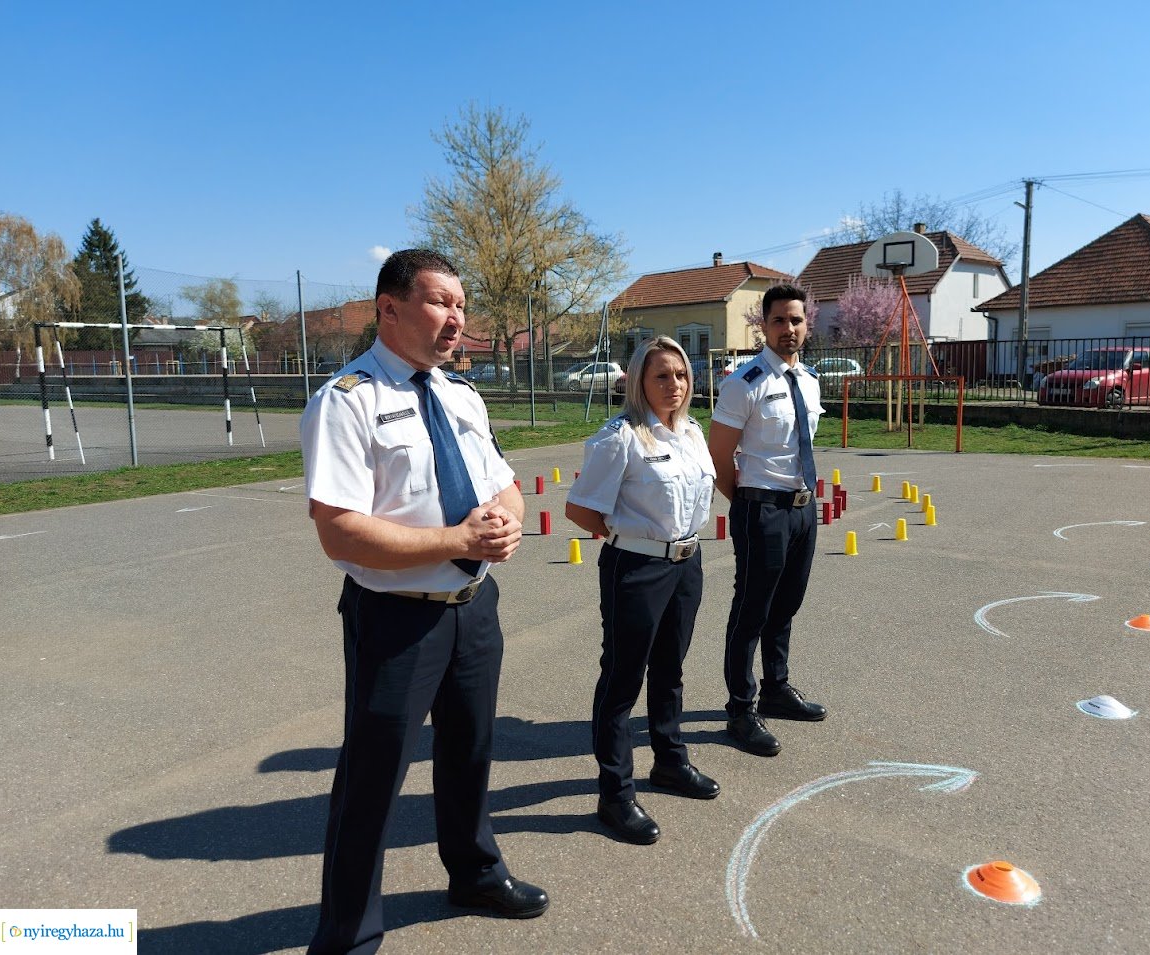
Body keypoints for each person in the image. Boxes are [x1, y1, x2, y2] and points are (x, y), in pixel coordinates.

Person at [300, 249, 548, 955]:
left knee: (470, 752)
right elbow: (339, 529)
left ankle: (473, 871)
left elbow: (501, 482)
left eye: (461, 305)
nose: (457, 319)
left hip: (473, 605)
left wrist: (505, 520)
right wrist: (455, 536)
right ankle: (347, 932)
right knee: (373, 780)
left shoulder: (461, 395)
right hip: (395, 617)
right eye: (440, 302)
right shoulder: (348, 400)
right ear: (390, 308)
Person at [565, 336, 720, 845]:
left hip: (685, 564)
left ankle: (670, 762)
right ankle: (615, 793)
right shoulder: (621, 437)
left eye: (680, 374)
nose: (673, 384)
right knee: (622, 679)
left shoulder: (692, 431)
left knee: (670, 668)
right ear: (638, 381)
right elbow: (582, 508)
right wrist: (628, 539)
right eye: (660, 376)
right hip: (636, 568)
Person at [708, 283, 827, 758]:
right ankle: (741, 707)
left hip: (803, 508)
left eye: (796, 320)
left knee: (787, 603)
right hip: (762, 507)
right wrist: (749, 503)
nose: (789, 329)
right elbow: (718, 457)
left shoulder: (811, 380)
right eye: (779, 320)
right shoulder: (745, 382)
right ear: (764, 325)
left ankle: (776, 688)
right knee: (752, 609)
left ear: (806, 325)